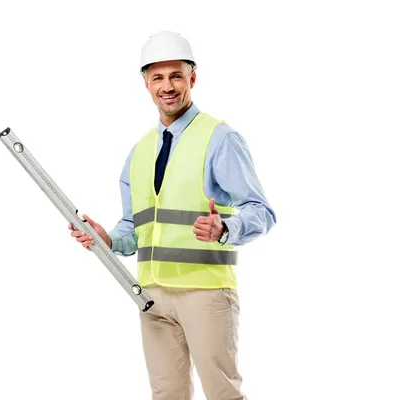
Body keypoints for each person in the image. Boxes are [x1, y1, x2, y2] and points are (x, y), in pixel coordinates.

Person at [68, 31, 276, 400]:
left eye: (176, 76)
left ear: (192, 78)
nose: (168, 86)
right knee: (166, 394)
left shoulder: (219, 139)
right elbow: (135, 225)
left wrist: (225, 227)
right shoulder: (140, 151)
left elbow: (261, 211)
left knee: (222, 392)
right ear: (146, 83)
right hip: (152, 295)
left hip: (206, 293)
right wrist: (109, 239)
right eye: (159, 78)